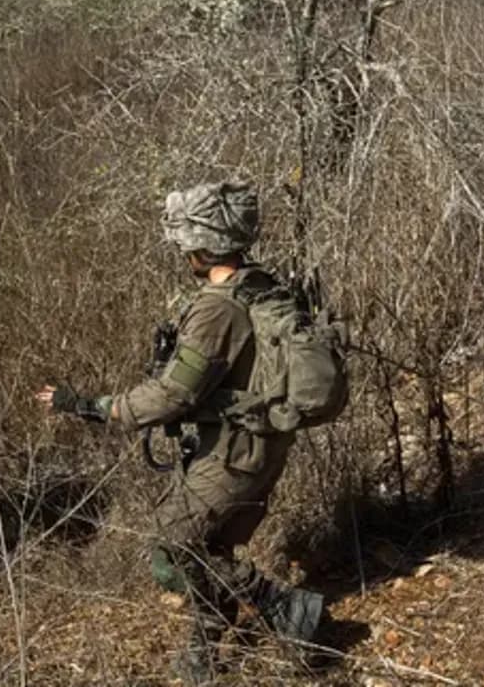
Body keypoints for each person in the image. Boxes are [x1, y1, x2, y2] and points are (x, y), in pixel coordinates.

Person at [36, 182, 325, 683]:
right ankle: (205, 649)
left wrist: (93, 406)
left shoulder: (217, 307)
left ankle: (287, 611)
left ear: (203, 245)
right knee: (210, 545)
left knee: (173, 549)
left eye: (186, 243)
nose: (183, 252)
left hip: (235, 451)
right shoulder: (262, 284)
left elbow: (175, 394)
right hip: (255, 444)